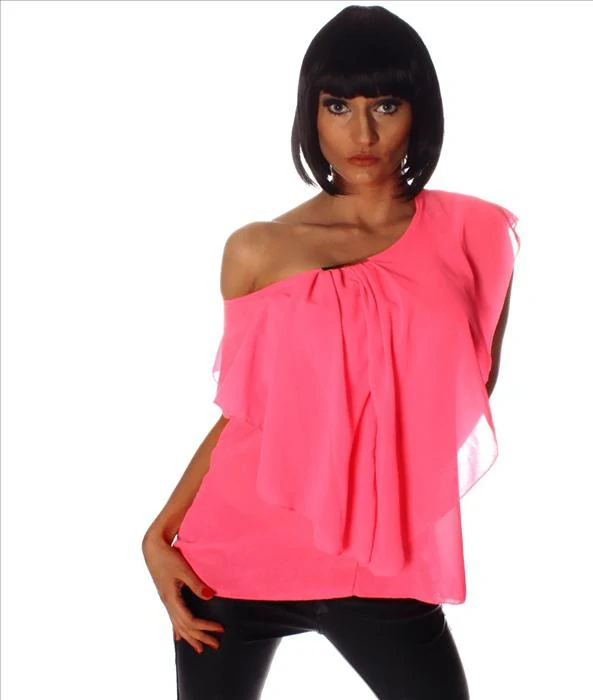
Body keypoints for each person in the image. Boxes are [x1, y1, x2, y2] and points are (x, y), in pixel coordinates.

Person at [142, 5, 520, 699]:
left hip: (381, 564)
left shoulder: (476, 234)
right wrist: (157, 535)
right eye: (338, 106)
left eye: (386, 105)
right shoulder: (257, 249)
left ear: (419, 111)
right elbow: (249, 413)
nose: (362, 133)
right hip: (234, 557)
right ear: (311, 114)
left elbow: (463, 395)